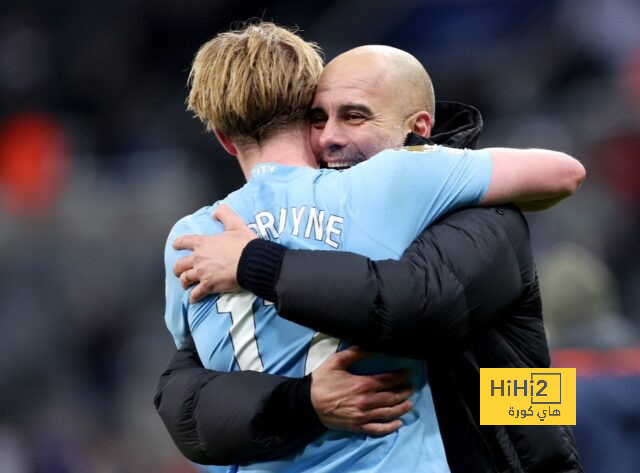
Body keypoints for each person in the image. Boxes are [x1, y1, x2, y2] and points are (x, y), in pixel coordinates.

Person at [160, 22, 585, 472]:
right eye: (317, 118)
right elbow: (182, 399)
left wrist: (254, 263)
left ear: (416, 129)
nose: (328, 137)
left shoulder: (487, 218)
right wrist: (299, 403)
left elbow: (414, 305)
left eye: (355, 116)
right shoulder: (331, 208)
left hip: (499, 446)